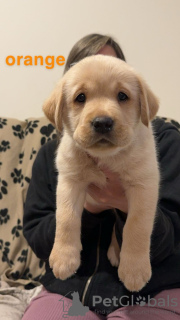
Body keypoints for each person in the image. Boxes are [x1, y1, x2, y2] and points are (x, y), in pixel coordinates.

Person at [22, 34, 180, 320]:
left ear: (141, 103)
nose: (103, 116)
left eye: (121, 96)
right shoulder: (50, 155)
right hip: (71, 288)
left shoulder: (165, 142)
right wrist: (89, 207)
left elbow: (172, 234)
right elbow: (38, 235)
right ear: (61, 109)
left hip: (152, 287)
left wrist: (124, 207)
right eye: (81, 97)